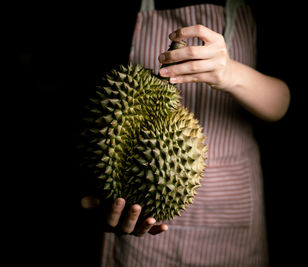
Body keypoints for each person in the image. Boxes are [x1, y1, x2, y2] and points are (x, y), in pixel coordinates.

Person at [81, 0, 290, 266]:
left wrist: (229, 72)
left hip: (230, 212)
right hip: (137, 231)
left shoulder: (249, 7)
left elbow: (282, 103)